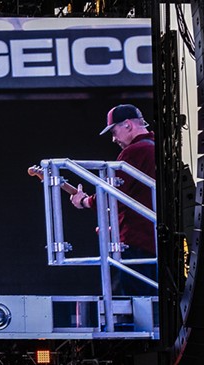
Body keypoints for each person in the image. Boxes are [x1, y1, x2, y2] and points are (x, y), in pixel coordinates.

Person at [69, 103, 156, 298]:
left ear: (127, 125)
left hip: (137, 242)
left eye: (114, 131)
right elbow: (132, 197)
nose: (113, 139)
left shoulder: (134, 152)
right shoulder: (158, 148)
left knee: (136, 300)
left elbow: (111, 195)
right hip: (156, 241)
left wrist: (85, 202)